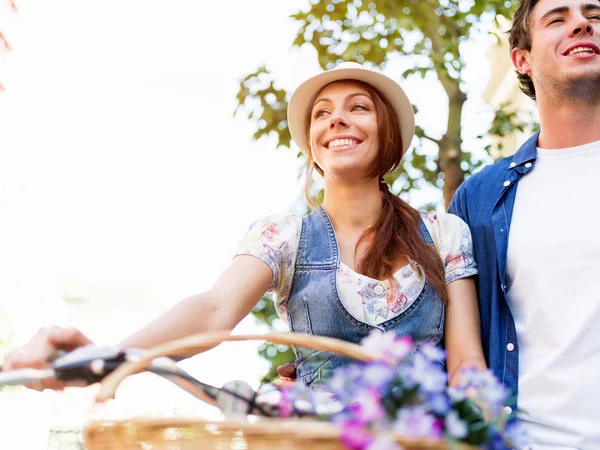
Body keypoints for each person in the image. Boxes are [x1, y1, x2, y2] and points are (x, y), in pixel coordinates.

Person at [2, 62, 485, 392]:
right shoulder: (282, 237)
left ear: (389, 133)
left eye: (357, 107)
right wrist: (103, 357)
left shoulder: (444, 234)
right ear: (313, 146)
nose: (337, 119)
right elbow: (212, 311)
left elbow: (466, 366)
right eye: (323, 113)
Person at [448, 0, 600, 447]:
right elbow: (440, 333)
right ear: (522, 59)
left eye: (594, 17)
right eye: (558, 18)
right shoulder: (479, 197)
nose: (581, 24)